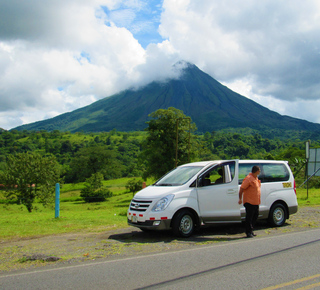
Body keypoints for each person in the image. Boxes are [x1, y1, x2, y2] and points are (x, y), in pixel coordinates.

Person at [238, 165, 261, 238]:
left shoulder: (256, 178)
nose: (260, 171)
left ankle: (251, 230)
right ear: (256, 171)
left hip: (256, 201)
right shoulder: (248, 179)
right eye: (259, 170)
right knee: (249, 217)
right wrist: (240, 198)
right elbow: (242, 188)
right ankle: (248, 232)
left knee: (255, 216)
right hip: (249, 201)